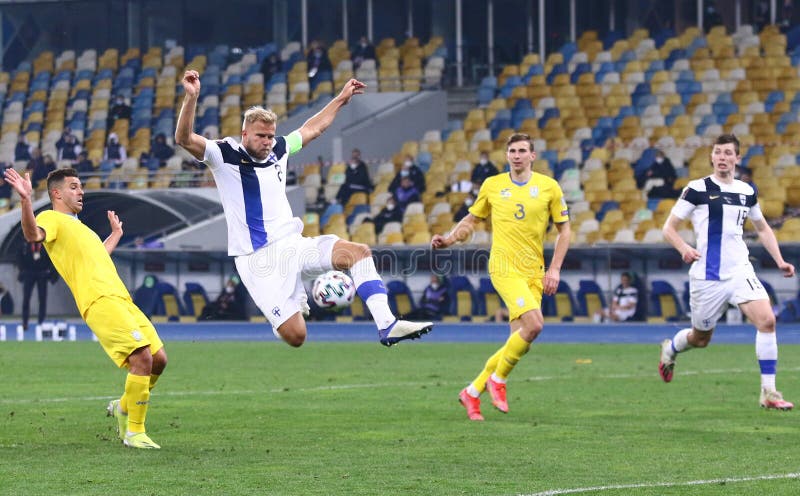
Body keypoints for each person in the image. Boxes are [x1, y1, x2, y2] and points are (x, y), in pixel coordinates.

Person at [175, 70, 432, 347]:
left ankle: (387, 324)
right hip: (257, 260)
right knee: (296, 337)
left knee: (358, 253)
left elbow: (312, 128)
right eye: (261, 136)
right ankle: (293, 299)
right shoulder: (224, 155)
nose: (267, 141)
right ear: (244, 133)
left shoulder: (278, 150)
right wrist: (191, 98)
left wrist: (340, 99)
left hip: (292, 244)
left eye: (270, 136)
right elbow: (185, 139)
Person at [3, 167, 168, 448]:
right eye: (74, 187)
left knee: (158, 359)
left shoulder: (81, 228)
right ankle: (134, 432)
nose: (81, 192)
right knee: (141, 358)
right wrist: (26, 200)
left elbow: (99, 256)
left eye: (81, 187)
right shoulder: (50, 218)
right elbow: (33, 236)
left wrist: (115, 234)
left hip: (121, 298)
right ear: (56, 193)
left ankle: (123, 405)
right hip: (99, 300)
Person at [432, 133, 571, 421]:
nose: (517, 155)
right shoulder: (493, 185)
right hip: (504, 266)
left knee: (520, 339)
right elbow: (471, 220)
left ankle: (471, 392)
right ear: (506, 156)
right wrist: (449, 240)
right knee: (534, 326)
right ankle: (499, 381)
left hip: (535, 271)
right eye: (512, 151)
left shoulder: (549, 187)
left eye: (522, 150)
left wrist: (554, 268)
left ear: (532, 156)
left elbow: (564, 230)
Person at [658, 133, 796, 410]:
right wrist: (684, 248)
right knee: (700, 339)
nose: (722, 157)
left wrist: (779, 260)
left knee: (767, 321)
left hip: (740, 271)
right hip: (707, 276)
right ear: (711, 157)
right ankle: (671, 349)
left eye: (728, 153)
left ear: (737, 158)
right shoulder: (696, 189)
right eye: (718, 152)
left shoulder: (747, 191)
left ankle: (769, 392)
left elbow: (762, 228)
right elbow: (668, 228)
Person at [16, 240, 55, 330]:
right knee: (26, 298)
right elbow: (18, 256)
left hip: (42, 273)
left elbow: (52, 257)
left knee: (42, 298)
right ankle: (25, 322)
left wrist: (48, 271)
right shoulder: (25, 244)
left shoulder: (45, 244)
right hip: (29, 272)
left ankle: (41, 322)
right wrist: (22, 270)